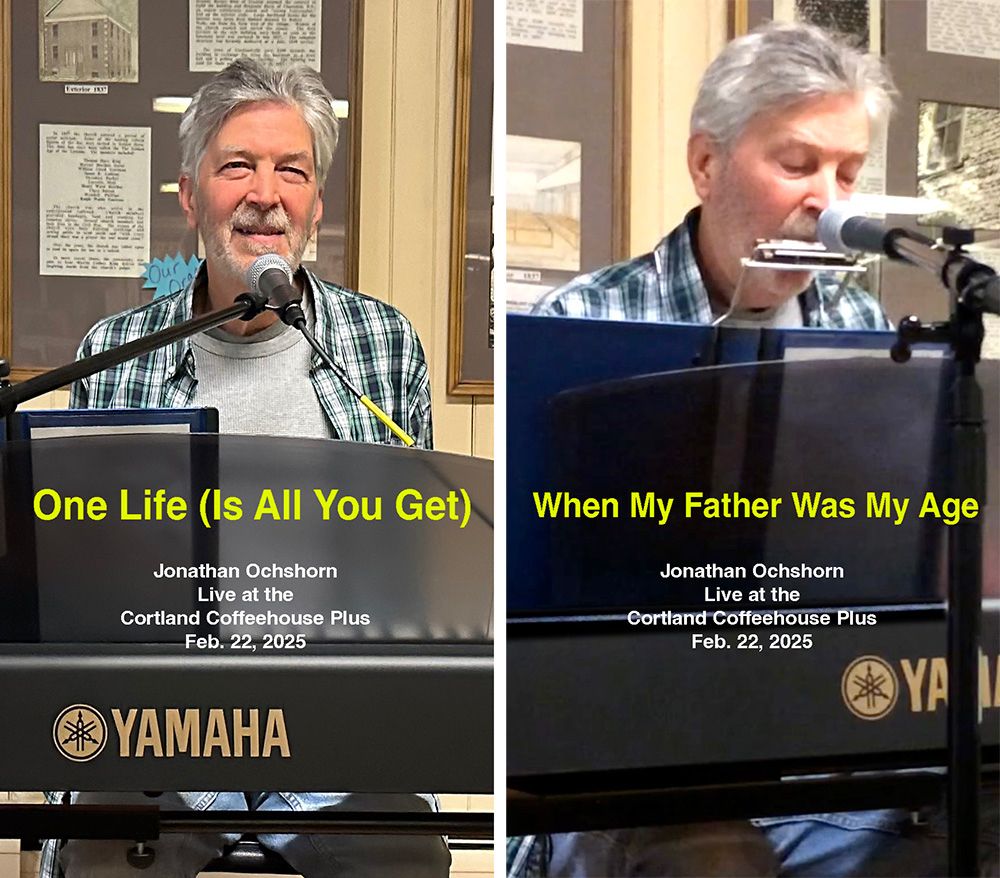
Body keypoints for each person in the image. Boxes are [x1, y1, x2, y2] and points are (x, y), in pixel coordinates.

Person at [513, 20, 998, 878]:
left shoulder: (861, 329)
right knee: (717, 858)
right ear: (707, 164)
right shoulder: (584, 321)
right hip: (633, 770)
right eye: (798, 163)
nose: (830, 200)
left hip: (823, 738)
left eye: (848, 172)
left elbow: (892, 557)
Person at [42, 58, 448, 878]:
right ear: (190, 195)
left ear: (315, 203)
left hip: (337, 729)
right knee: (95, 860)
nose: (266, 193)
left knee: (407, 860)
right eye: (238, 166)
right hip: (163, 729)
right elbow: (82, 593)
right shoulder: (113, 356)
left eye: (291, 170)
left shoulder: (381, 347)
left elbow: (416, 575)